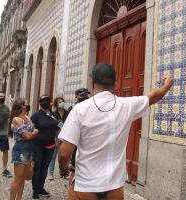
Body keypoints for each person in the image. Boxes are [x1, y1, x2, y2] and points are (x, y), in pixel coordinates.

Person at [58, 63, 173, 200]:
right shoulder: (126, 105)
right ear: (115, 84)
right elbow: (153, 96)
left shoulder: (79, 110)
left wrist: (63, 170)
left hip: (85, 189)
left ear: (92, 83)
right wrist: (167, 85)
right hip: (114, 191)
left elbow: (64, 153)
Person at [30, 95, 61, 199]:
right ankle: (35, 190)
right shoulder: (35, 116)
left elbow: (58, 126)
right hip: (38, 146)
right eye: (43, 101)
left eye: (47, 100)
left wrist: (57, 138)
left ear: (50, 102)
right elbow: (30, 129)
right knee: (37, 168)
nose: (45, 102)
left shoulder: (54, 115)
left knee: (44, 168)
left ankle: (41, 188)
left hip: (50, 146)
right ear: (39, 102)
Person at [9, 99, 38, 200]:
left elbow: (32, 133)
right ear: (21, 106)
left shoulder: (26, 118)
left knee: (24, 178)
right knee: (18, 178)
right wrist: (34, 133)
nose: (27, 104)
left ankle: (19, 198)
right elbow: (27, 136)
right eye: (25, 103)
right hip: (20, 150)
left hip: (29, 149)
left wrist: (32, 133)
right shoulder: (16, 119)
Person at [0, 91, 13, 178]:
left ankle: (4, 169)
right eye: (0, 96)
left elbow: (8, 119)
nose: (2, 97)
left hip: (3, 132)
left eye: (3, 96)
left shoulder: (7, 108)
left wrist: (9, 131)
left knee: (5, 151)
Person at [48, 97, 69, 180]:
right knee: (53, 156)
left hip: (66, 137)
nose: (61, 103)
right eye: (59, 102)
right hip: (56, 137)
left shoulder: (68, 113)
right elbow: (52, 125)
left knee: (64, 156)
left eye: (62, 101)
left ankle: (63, 172)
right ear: (56, 104)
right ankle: (50, 173)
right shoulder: (53, 114)